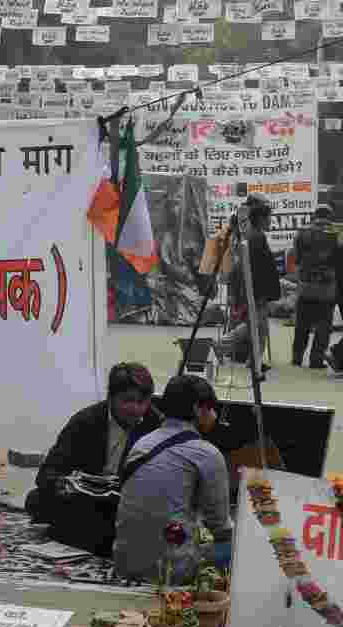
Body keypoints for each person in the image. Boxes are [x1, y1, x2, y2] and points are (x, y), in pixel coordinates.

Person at [26, 362, 163, 555]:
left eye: (141, 402)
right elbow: (47, 474)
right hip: (86, 502)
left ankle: (76, 536)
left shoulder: (155, 425)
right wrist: (65, 484)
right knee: (36, 500)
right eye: (128, 400)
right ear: (111, 398)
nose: (135, 409)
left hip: (128, 506)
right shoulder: (86, 421)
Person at [114, 375, 233, 583]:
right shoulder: (207, 454)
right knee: (234, 547)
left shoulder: (142, 444)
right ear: (198, 409)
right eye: (211, 408)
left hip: (124, 563)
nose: (214, 415)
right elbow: (220, 527)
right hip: (172, 572)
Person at [221, 197, 281, 375]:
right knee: (254, 326)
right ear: (261, 219)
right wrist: (260, 293)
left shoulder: (251, 236)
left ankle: (254, 361)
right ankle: (222, 345)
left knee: (258, 326)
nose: (270, 221)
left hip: (253, 290)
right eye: (268, 218)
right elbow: (257, 270)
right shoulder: (257, 237)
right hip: (256, 291)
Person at [293, 204, 338, 369]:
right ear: (329, 216)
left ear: (315, 215)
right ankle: (316, 360)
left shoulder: (302, 232)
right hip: (327, 288)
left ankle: (297, 357)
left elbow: (297, 258)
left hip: (305, 286)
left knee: (302, 324)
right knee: (323, 326)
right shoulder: (336, 233)